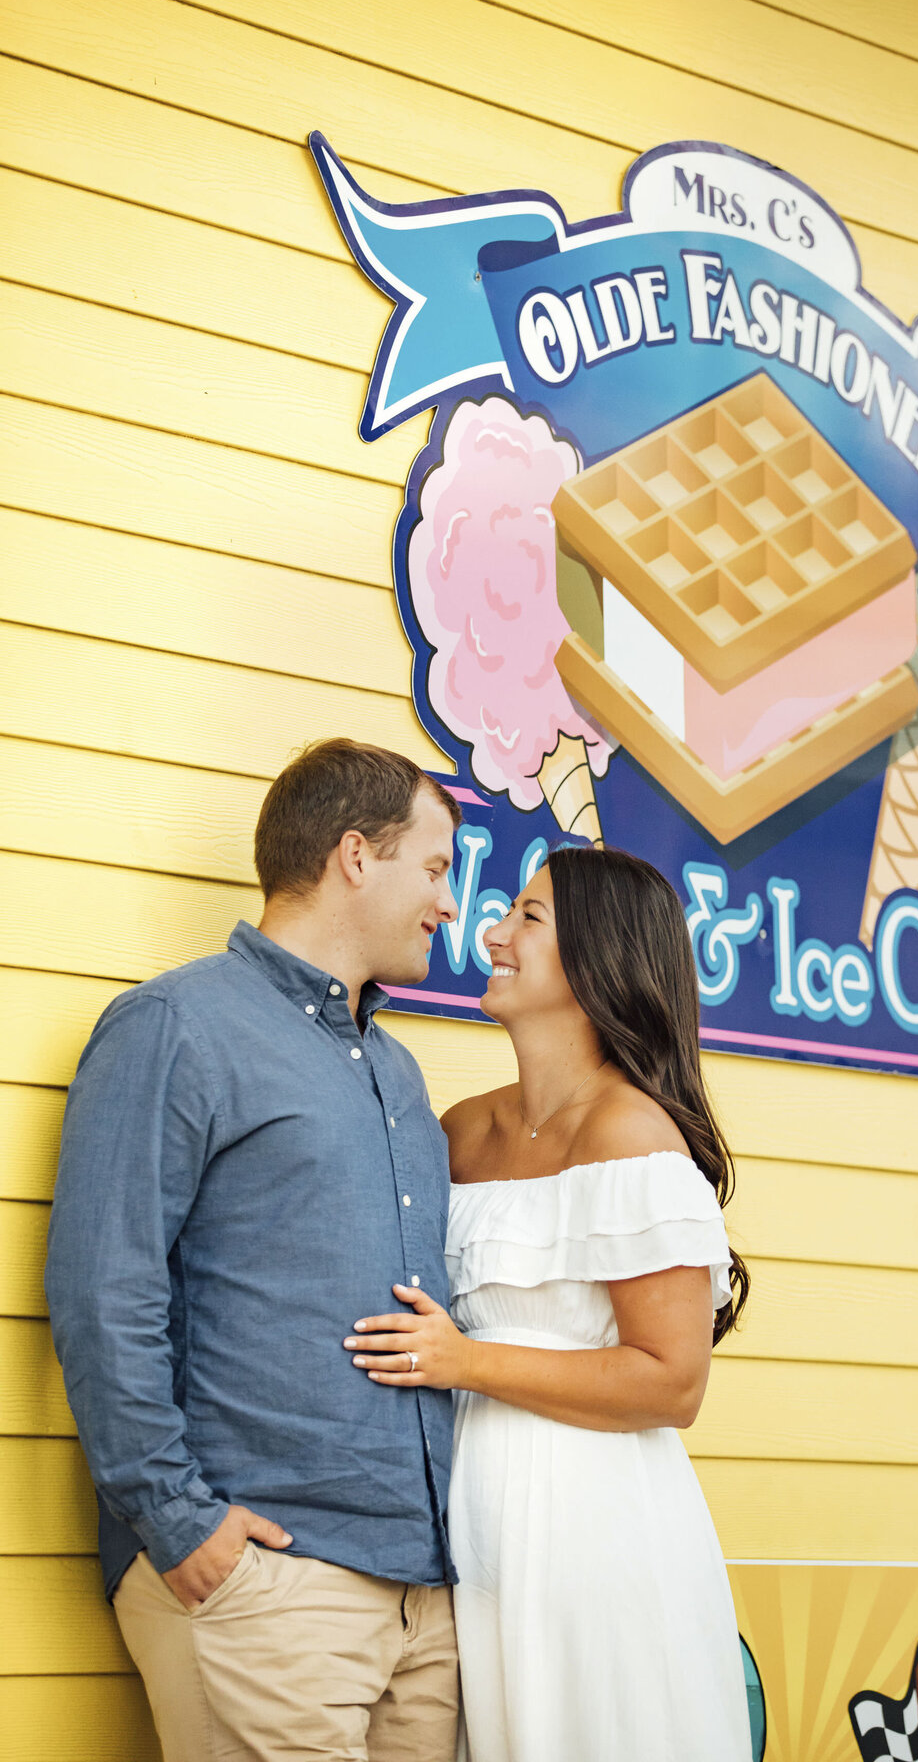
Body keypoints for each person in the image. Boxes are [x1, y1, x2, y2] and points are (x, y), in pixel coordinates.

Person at [45, 739, 464, 1762]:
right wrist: (179, 1523)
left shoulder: (400, 1073)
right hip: (270, 1588)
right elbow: (105, 1290)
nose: (448, 905)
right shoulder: (175, 1027)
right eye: (437, 868)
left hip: (426, 1601)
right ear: (356, 857)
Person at [344, 844, 754, 1762]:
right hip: (465, 1527)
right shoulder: (460, 1130)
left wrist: (468, 1362)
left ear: (600, 960)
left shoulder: (632, 1136)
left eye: (528, 918)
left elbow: (672, 1382)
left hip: (591, 1530)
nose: (492, 932)